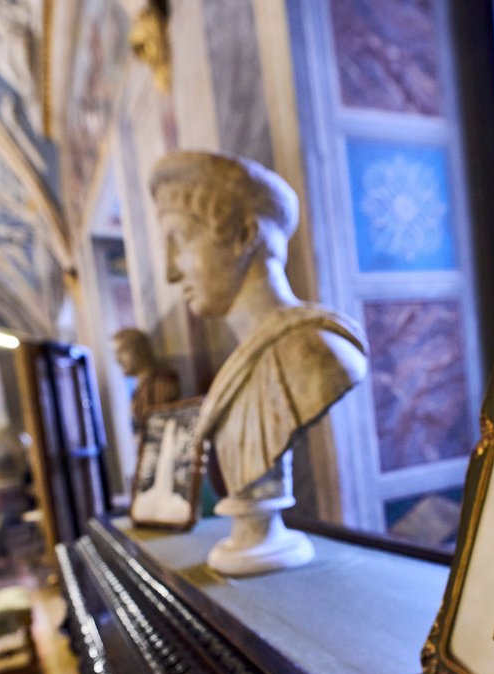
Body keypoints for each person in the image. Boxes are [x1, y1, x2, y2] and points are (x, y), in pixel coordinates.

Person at [149, 150, 367, 496]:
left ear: (245, 235)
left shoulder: (318, 353)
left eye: (182, 240)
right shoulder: (245, 365)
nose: (171, 271)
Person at [112, 328, 180, 435]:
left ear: (140, 350)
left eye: (123, 351)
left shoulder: (161, 382)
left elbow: (156, 430)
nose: (117, 360)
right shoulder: (140, 386)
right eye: (116, 353)